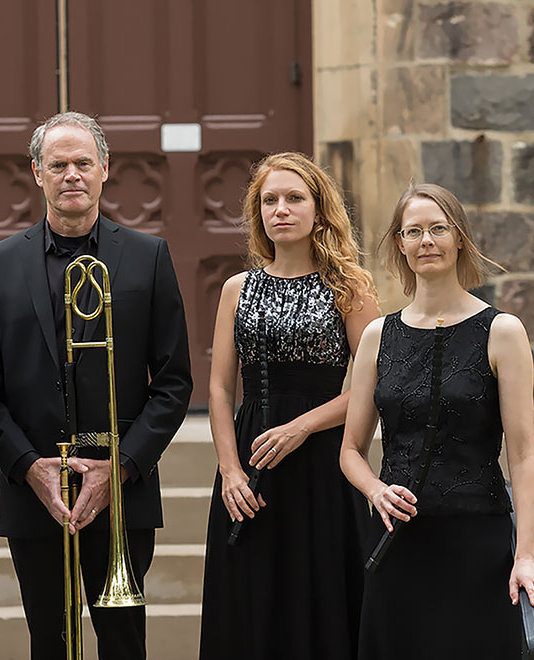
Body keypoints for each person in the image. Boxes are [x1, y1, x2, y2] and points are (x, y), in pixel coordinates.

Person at [0, 111, 192, 660]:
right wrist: (27, 465)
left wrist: (123, 467)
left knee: (123, 642)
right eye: (58, 165)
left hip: (123, 489)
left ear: (105, 169)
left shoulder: (149, 256)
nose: (72, 174)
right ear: (37, 173)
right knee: (49, 642)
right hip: (34, 491)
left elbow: (173, 383)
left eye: (83, 163)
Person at [339, 183, 534, 659]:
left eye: (438, 228)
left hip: (477, 544)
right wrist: (375, 491)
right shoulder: (377, 335)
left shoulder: (502, 331)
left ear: (459, 237)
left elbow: (523, 455)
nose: (426, 241)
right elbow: (350, 451)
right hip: (397, 545)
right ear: (400, 244)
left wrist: (526, 555)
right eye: (413, 231)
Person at [199, 152, 379, 660]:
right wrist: (229, 470)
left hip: (325, 460)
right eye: (269, 200)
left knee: (320, 594)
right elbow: (219, 389)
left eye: (294, 198)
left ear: (319, 211)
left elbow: (375, 385)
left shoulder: (350, 287)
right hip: (251, 463)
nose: (280, 209)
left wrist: (302, 426)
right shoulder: (236, 288)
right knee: (252, 597)